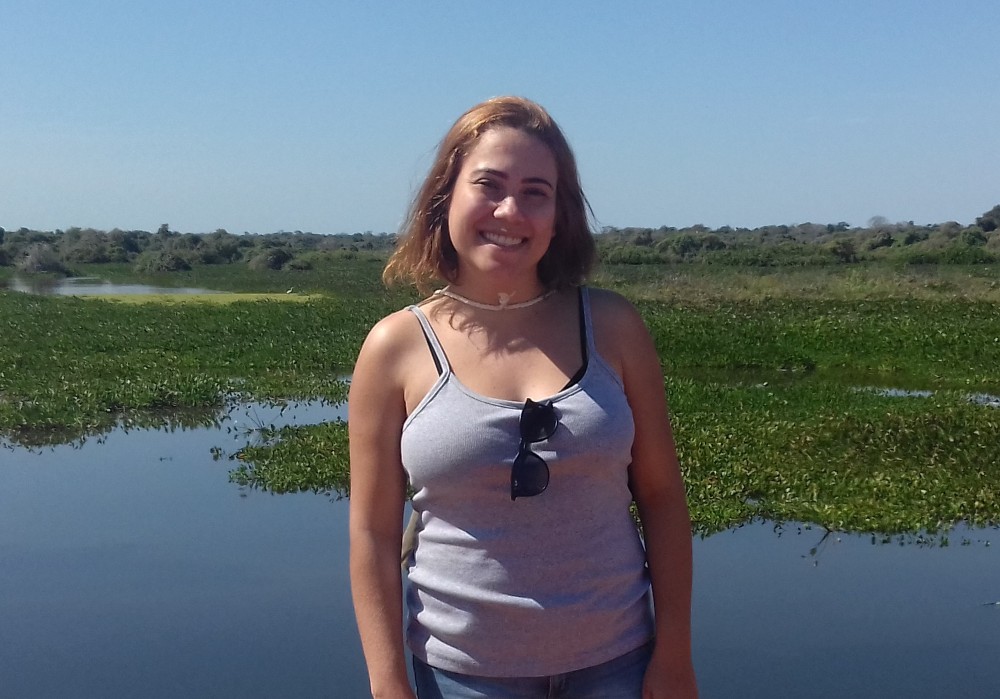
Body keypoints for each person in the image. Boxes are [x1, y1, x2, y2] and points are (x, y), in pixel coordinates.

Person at [349, 96, 697, 699]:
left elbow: (663, 499)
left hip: (618, 663)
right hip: (462, 674)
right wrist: (387, 683)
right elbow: (373, 534)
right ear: (445, 198)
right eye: (488, 185)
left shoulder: (613, 327)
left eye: (536, 192)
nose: (510, 211)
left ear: (559, 216)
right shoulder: (395, 346)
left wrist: (674, 655)